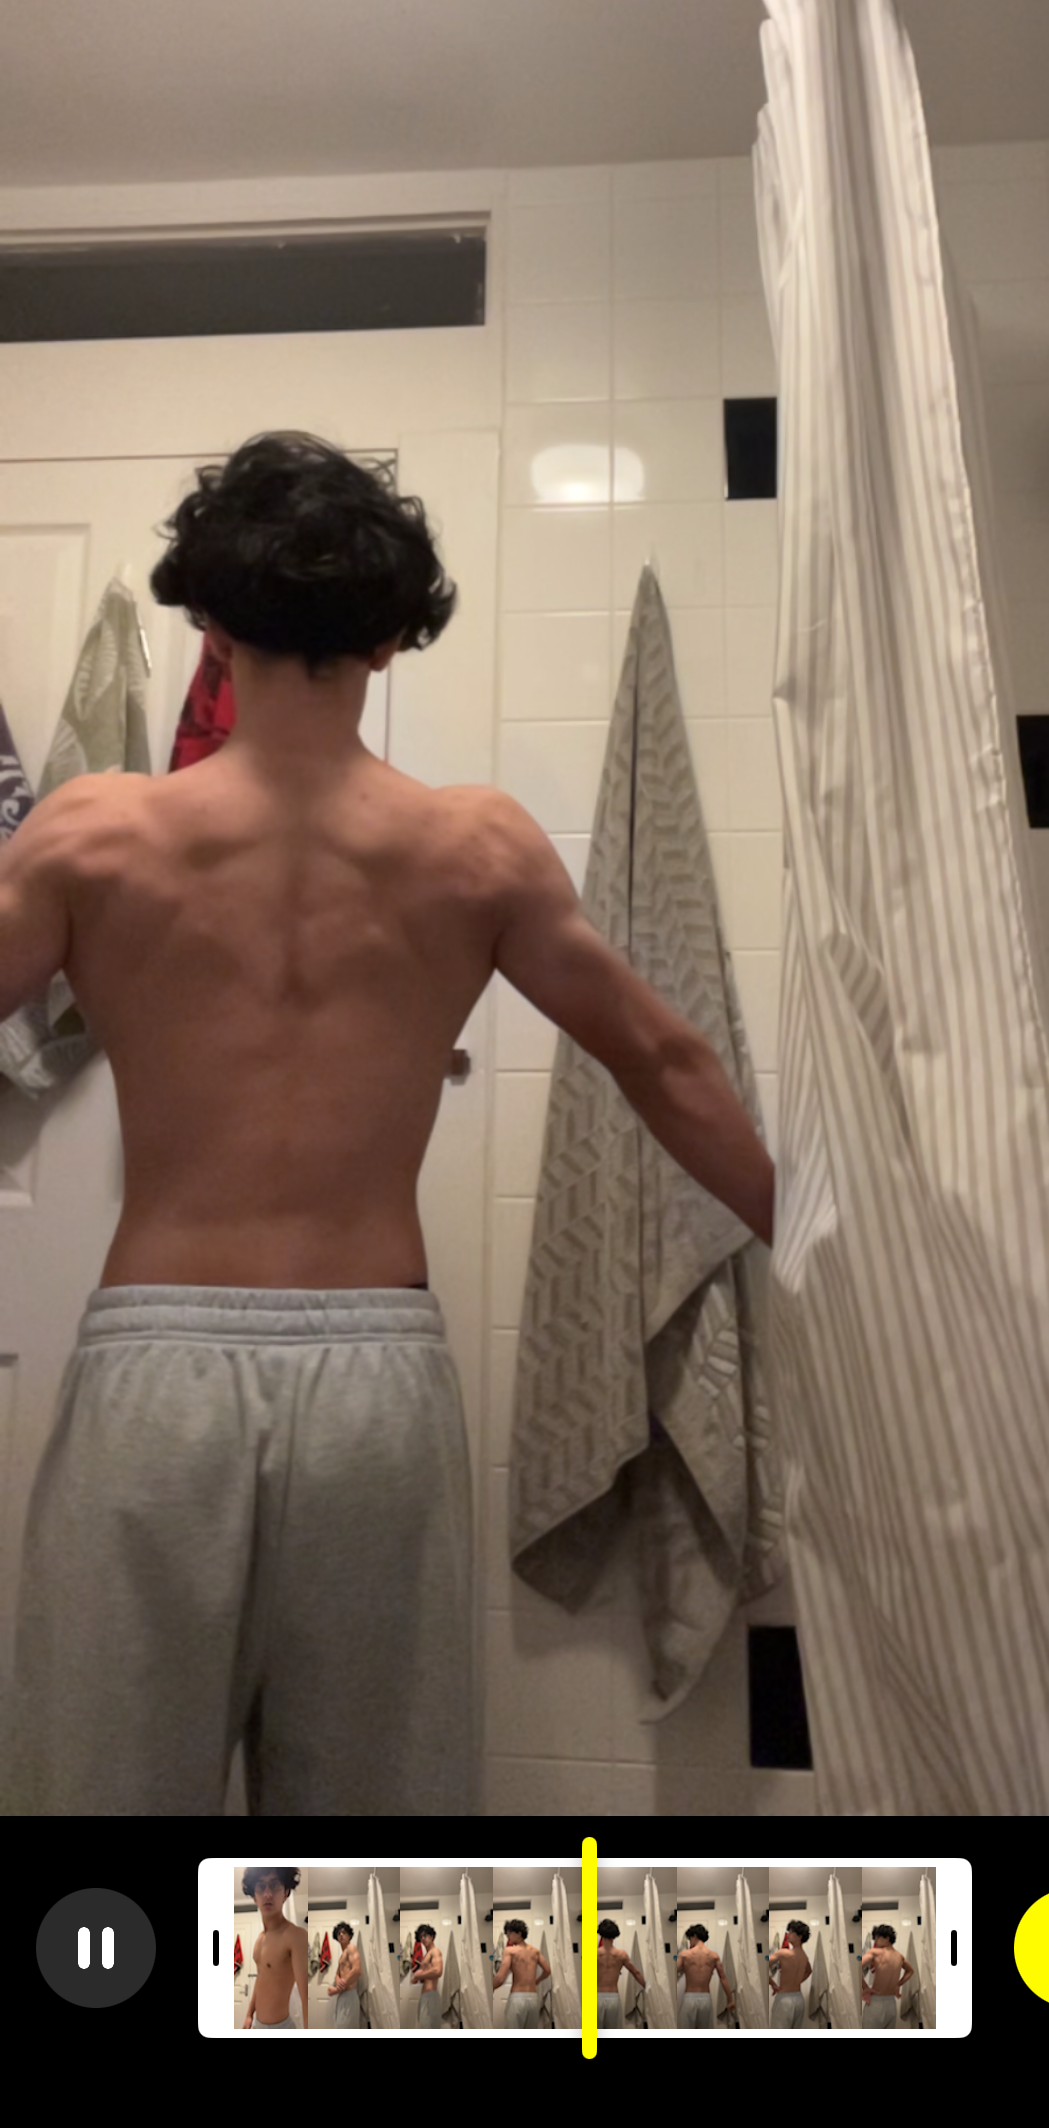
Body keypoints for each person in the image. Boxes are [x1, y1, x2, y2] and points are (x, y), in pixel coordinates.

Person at [6, 431, 776, 1818]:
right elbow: (664, 1062)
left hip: (154, 1381)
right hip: (376, 1382)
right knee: (368, 1847)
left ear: (208, 624)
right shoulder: (474, 846)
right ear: (391, 637)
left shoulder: (91, 836)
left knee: (100, 1796)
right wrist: (826, 1253)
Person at [241, 1867, 309, 2031]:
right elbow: (261, 1978)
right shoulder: (259, 1940)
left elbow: (306, 1996)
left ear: (286, 1893)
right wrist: (249, 2014)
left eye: (274, 1885)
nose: (267, 1894)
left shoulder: (296, 1936)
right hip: (257, 2026)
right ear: (254, 1897)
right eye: (260, 1886)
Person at [493, 1918, 552, 2028]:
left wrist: (490, 1988)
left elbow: (500, 1977)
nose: (507, 1936)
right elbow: (547, 1970)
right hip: (533, 1999)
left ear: (519, 1933)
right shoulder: (535, 1951)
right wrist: (537, 1980)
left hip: (517, 1999)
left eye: (509, 1933)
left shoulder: (510, 1951)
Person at [677, 1924, 735, 2027]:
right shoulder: (714, 1956)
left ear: (694, 1936)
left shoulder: (685, 1955)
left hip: (689, 1999)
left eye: (690, 1938)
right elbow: (723, 1978)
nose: (690, 1942)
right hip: (706, 1999)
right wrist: (731, 2000)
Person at [596, 1917, 645, 2030]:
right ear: (615, 1935)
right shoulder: (621, 1954)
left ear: (601, 1934)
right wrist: (647, 1988)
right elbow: (636, 1972)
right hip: (613, 1998)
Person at [862, 1924, 913, 2027]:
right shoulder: (900, 1956)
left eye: (877, 1938)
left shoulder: (875, 1952)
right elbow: (910, 1971)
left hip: (876, 2003)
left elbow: (856, 1967)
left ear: (887, 1938)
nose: (875, 1941)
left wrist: (865, 1987)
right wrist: (898, 1984)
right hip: (891, 2004)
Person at [768, 1919, 811, 2028]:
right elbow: (808, 1971)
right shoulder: (804, 1956)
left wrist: (773, 1984)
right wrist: (797, 1981)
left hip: (784, 2000)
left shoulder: (783, 1953)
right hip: (799, 2000)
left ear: (799, 1937)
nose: (788, 1934)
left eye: (791, 1932)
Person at [326, 1920, 362, 2028]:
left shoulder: (351, 1948)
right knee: (341, 2026)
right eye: (338, 1933)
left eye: (344, 1932)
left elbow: (357, 1970)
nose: (341, 1934)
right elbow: (337, 1974)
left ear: (349, 1935)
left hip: (349, 1996)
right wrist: (338, 1981)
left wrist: (337, 1989)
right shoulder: (343, 1955)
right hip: (343, 1996)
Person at [412, 1925, 444, 2028]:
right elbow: (428, 1975)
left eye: (425, 1935)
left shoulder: (435, 1951)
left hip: (431, 1997)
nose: (423, 1938)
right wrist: (416, 1978)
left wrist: (419, 1975)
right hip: (425, 1997)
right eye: (421, 1936)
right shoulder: (427, 1955)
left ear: (432, 1936)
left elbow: (438, 1971)